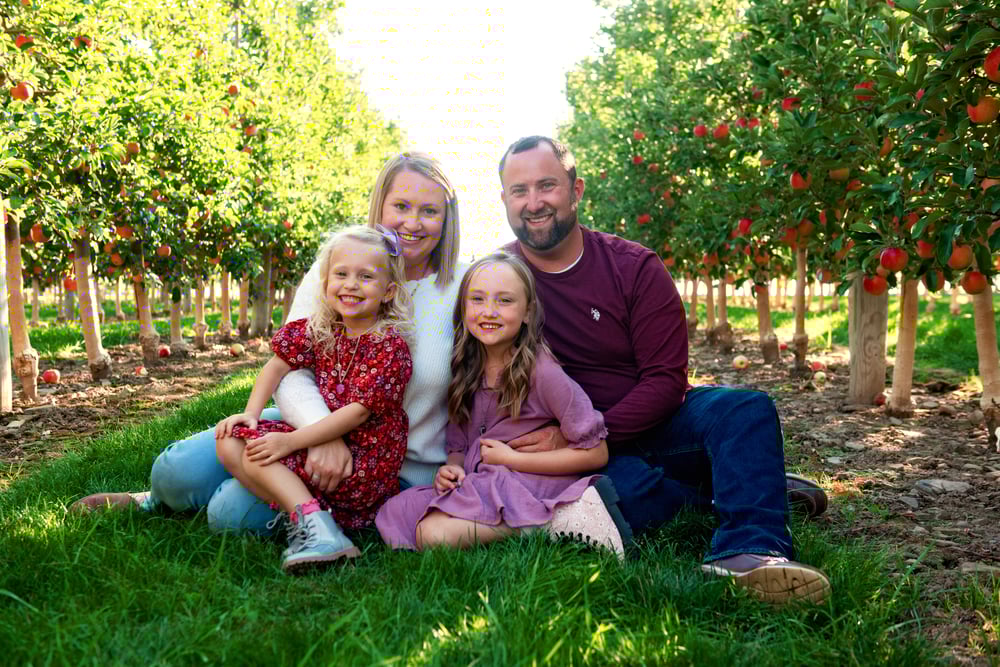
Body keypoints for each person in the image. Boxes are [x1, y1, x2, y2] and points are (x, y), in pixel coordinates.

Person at [494, 135, 831, 604]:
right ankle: (751, 484)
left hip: (653, 423)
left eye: (547, 186)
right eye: (519, 190)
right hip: (579, 455)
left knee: (745, 410)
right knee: (617, 499)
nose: (534, 202)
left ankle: (750, 552)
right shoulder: (497, 281)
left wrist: (588, 435)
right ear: (505, 199)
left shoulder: (632, 267)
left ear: (577, 190)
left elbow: (665, 382)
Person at [73, 152, 466, 536]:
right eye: (400, 205)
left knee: (231, 514)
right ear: (380, 205)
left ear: (447, 218)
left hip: (384, 465)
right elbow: (290, 366)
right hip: (303, 424)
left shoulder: (464, 288)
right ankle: (160, 498)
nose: (412, 222)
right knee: (175, 471)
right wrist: (321, 435)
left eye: (429, 211)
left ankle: (225, 504)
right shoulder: (338, 267)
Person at [376, 253, 631, 557]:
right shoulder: (465, 368)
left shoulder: (542, 371)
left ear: (528, 312)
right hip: (485, 480)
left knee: (432, 534)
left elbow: (596, 452)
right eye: (478, 299)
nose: (489, 311)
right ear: (463, 308)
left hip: (530, 482)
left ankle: (558, 519)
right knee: (394, 511)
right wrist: (452, 470)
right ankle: (537, 523)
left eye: (505, 301)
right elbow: (458, 447)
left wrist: (512, 459)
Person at [214, 225, 412, 572]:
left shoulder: (388, 346)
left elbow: (356, 415)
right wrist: (250, 413)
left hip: (361, 461)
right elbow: (276, 367)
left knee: (260, 455)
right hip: (319, 446)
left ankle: (320, 528)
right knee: (230, 441)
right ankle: (315, 523)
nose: (351, 284)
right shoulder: (321, 329)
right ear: (325, 282)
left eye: (366, 277)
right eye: (341, 274)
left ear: (388, 291)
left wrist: (289, 442)